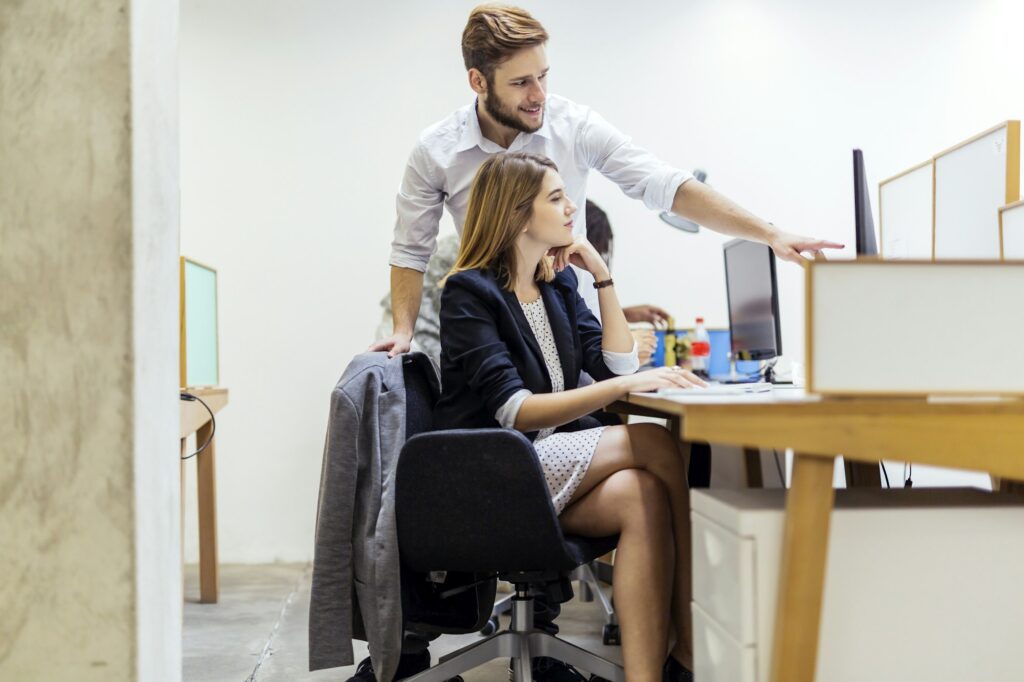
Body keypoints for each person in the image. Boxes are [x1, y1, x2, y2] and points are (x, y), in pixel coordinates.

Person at [372, 4, 842, 360]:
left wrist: (770, 234)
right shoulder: (436, 151)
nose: (539, 96)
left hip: (561, 321)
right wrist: (403, 332)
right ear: (478, 82)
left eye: (543, 76)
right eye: (520, 84)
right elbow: (410, 250)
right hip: (489, 326)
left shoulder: (573, 126)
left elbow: (665, 185)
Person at [436, 151, 703, 682]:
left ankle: (649, 675)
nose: (571, 207)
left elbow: (615, 361)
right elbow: (514, 410)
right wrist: (623, 384)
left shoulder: (558, 284)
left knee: (644, 496)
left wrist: (601, 276)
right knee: (657, 446)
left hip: (547, 462)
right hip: (495, 468)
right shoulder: (470, 292)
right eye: (556, 198)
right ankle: (692, 644)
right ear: (516, 213)